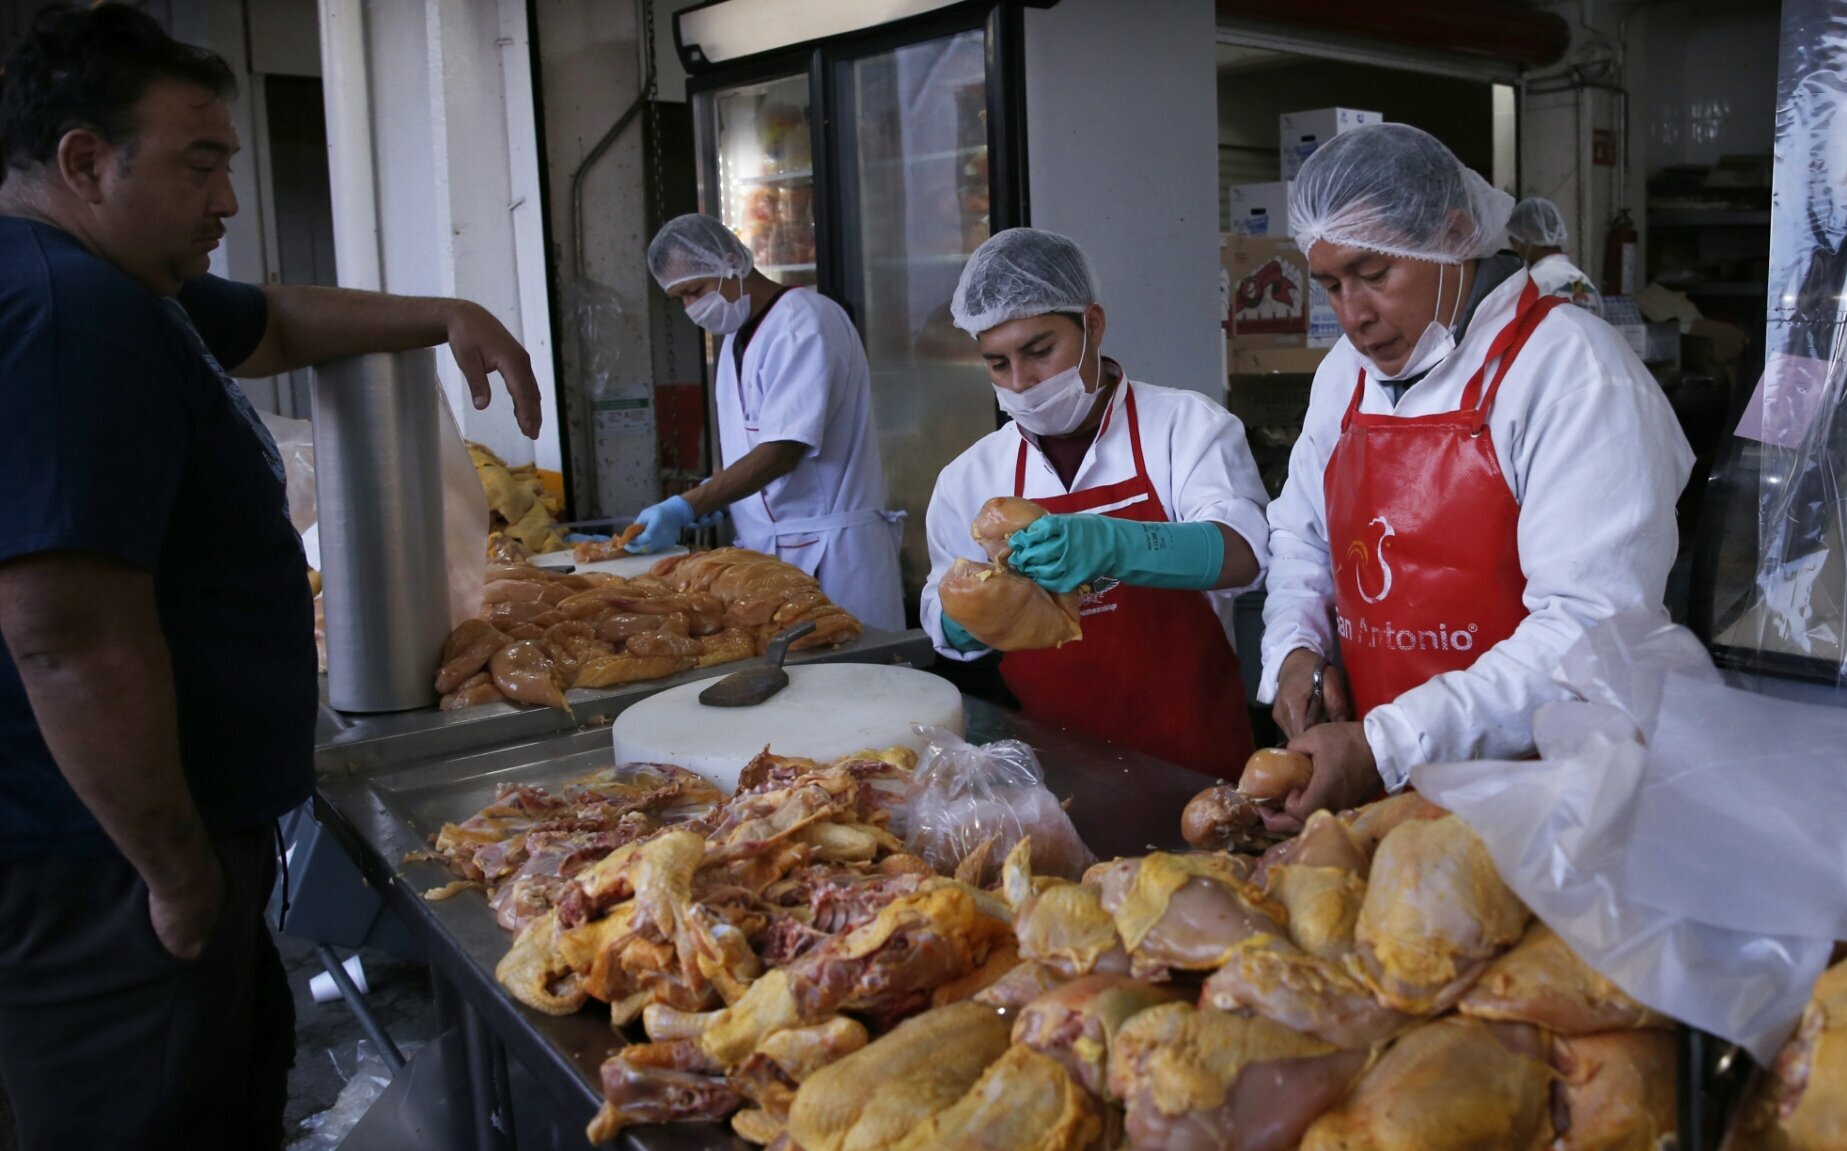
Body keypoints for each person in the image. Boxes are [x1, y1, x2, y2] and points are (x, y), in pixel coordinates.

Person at [0, 7, 540, 1148]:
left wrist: (448, 312)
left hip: (144, 847)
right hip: (101, 868)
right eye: (201, 165)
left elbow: (281, 320)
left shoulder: (126, 290)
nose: (228, 202)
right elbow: (66, 633)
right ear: (85, 163)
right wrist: (176, 866)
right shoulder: (65, 313)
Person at [1259, 124, 1693, 829]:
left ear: (1456, 235)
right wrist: (1295, 649)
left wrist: (1383, 742)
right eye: (1331, 285)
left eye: (1374, 275)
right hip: (1385, 792)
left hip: (1548, 805)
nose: (1354, 315)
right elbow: (1301, 534)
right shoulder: (1345, 375)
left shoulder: (1571, 371)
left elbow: (1588, 633)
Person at [921, 228, 1271, 779]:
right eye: (998, 364)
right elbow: (944, 629)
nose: (1022, 382)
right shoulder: (968, 477)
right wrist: (972, 610)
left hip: (1195, 760)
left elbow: (1247, 553)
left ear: (1093, 325)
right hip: (1049, 769)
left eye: (1039, 351)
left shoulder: (1184, 426)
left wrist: (1112, 541)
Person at [637, 214, 903, 631]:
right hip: (772, 555)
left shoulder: (804, 322)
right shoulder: (735, 342)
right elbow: (753, 443)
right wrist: (722, 494)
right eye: (680, 300)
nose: (692, 308)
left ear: (731, 262)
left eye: (695, 291)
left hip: (835, 556)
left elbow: (783, 451)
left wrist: (690, 503)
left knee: (856, 676)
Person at [1506, 196, 1604, 316]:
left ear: (1526, 238)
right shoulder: (1584, 283)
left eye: (1514, 241)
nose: (1514, 248)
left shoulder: (1534, 283)